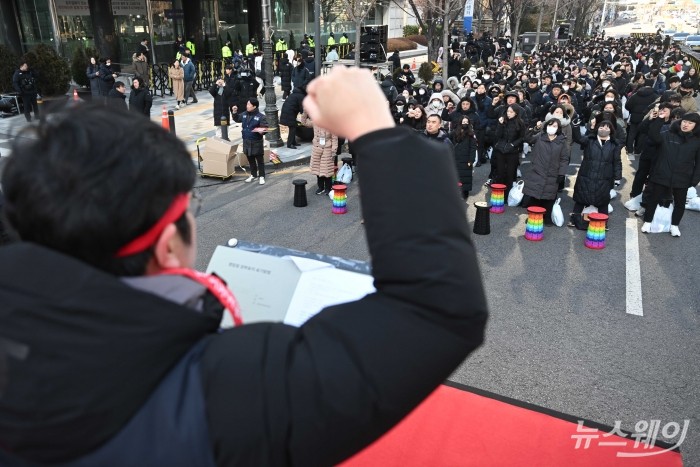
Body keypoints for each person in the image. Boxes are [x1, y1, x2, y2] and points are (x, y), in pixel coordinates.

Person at [2, 69, 487, 463]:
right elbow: (436, 309)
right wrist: (375, 127)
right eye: (189, 205)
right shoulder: (223, 395)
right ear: (168, 245)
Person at [640, 113, 700, 237]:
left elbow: (698, 163)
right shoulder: (668, 134)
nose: (686, 124)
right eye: (684, 121)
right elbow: (653, 136)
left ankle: (674, 225)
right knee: (653, 199)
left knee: (680, 203)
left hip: (683, 177)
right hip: (662, 174)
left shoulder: (697, 141)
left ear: (696, 126)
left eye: (690, 123)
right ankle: (647, 222)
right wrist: (660, 119)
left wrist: (694, 180)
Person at [569, 119, 622, 227]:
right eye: (601, 127)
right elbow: (578, 138)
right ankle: (574, 219)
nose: (604, 129)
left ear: (611, 130)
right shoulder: (589, 140)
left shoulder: (614, 144)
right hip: (586, 175)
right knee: (581, 197)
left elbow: (617, 161)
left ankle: (603, 223)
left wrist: (617, 177)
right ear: (597, 128)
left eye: (607, 128)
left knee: (603, 200)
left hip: (605, 177)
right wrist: (575, 127)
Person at [521, 119, 570, 222]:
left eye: (555, 126)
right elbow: (528, 139)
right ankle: (532, 217)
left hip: (552, 174)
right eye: (550, 125)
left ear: (558, 128)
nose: (552, 127)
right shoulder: (540, 136)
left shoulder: (562, 141)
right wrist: (535, 129)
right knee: (534, 196)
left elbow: (564, 159)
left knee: (548, 198)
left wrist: (562, 173)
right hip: (537, 171)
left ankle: (546, 218)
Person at [300, 111, 338, 194]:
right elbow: (304, 122)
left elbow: (335, 139)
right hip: (316, 148)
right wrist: (305, 111)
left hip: (327, 149)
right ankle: (320, 187)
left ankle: (328, 188)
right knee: (318, 169)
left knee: (327, 170)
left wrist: (334, 151)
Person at [232, 98, 268, 185]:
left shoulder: (261, 116)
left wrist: (262, 131)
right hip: (246, 141)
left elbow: (265, 128)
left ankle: (262, 176)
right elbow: (237, 119)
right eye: (247, 104)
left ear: (254, 106)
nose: (247, 106)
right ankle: (253, 174)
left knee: (259, 160)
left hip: (256, 142)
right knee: (250, 159)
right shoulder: (244, 114)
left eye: (249, 104)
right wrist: (234, 112)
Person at [492, 105, 526, 196]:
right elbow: (497, 135)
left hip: (512, 151)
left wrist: (513, 144)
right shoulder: (503, 121)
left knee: (510, 173)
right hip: (501, 149)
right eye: (508, 111)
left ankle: (508, 194)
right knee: (500, 172)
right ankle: (498, 193)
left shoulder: (520, 123)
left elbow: (522, 137)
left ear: (516, 113)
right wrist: (500, 124)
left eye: (511, 112)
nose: (509, 113)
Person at [449, 116, 477, 200]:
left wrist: (471, 159)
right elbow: (449, 141)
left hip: (466, 157)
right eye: (463, 122)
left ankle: (465, 192)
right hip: (455, 156)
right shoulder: (454, 132)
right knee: (456, 174)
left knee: (466, 176)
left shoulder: (471, 134)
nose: (465, 123)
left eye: (466, 122)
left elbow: (473, 147)